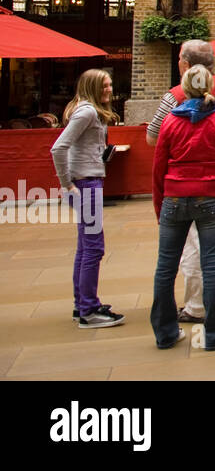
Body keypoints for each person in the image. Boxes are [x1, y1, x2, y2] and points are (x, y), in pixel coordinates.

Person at [146, 40, 215, 324]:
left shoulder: (173, 97)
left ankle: (194, 306)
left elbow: (152, 139)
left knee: (184, 254)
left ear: (184, 63)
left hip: (177, 190)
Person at [51, 69, 123, 328]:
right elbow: (58, 147)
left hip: (85, 182)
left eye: (110, 84)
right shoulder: (87, 112)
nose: (110, 89)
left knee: (85, 247)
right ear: (92, 87)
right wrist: (67, 184)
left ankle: (82, 303)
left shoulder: (86, 110)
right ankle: (89, 311)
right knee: (94, 247)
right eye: (104, 86)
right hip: (86, 186)